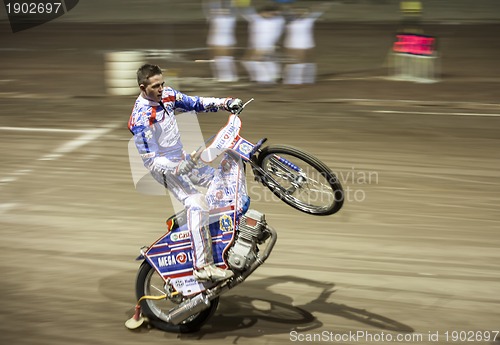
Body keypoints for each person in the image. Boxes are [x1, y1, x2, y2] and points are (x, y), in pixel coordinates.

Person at [128, 64, 243, 282]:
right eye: (155, 86)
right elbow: (151, 162)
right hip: (165, 169)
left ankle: (212, 232)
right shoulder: (141, 119)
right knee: (197, 202)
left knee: (223, 178)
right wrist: (178, 168)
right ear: (143, 87)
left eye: (162, 83)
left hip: (183, 159)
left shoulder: (168, 94)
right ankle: (202, 267)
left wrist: (225, 103)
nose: (162, 89)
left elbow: (195, 103)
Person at [282, 4, 328, 85]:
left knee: (309, 62)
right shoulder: (290, 20)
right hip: (294, 45)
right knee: (295, 63)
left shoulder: (309, 19)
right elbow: (285, 9)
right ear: (293, 13)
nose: (301, 13)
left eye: (304, 12)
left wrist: (327, 3)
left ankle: (308, 79)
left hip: (309, 44)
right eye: (298, 11)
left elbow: (320, 9)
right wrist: (286, 5)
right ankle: (292, 81)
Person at [242, 6, 285, 84]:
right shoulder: (257, 19)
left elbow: (279, 14)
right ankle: (273, 76)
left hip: (266, 44)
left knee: (256, 60)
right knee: (252, 61)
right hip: (256, 44)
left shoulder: (277, 21)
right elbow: (246, 11)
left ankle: (265, 79)